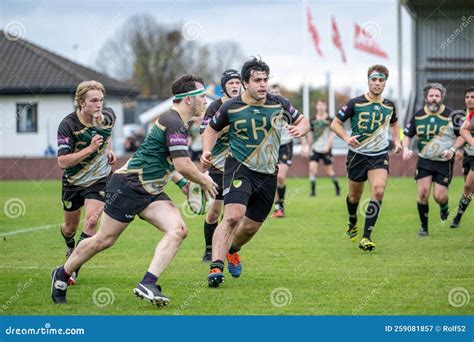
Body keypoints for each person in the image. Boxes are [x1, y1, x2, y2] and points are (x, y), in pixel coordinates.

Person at [51, 75, 217, 306]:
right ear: (188, 100)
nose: (204, 100)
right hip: (129, 186)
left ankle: (148, 282)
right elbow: (182, 164)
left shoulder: (179, 122)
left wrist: (184, 184)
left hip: (151, 190)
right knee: (104, 240)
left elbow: (166, 162)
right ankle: (62, 274)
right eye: (201, 96)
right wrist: (203, 181)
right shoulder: (173, 121)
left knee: (178, 230)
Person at [201, 57, 310, 287]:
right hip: (239, 167)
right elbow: (211, 129)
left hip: (267, 173)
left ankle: (232, 250)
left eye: (265, 80)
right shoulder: (231, 107)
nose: (263, 84)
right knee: (232, 215)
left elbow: (304, 120)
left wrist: (299, 129)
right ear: (244, 83)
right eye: (257, 80)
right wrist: (206, 151)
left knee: (250, 227)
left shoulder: (278, 102)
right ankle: (215, 267)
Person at [331, 65, 401, 251]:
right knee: (354, 197)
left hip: (379, 156)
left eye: (381, 80)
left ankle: (366, 237)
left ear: (385, 82)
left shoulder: (389, 105)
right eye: (374, 79)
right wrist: (346, 138)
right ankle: (352, 220)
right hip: (357, 156)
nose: (377, 83)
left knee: (378, 191)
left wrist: (397, 141)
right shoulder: (355, 103)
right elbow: (335, 123)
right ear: (368, 81)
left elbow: (395, 124)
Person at [57, 80, 116, 285]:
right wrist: (90, 149)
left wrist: (108, 150)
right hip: (73, 181)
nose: (99, 105)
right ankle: (70, 245)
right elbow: (62, 161)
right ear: (81, 102)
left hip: (99, 179)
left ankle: (71, 270)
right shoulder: (68, 125)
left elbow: (108, 134)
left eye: (101, 100)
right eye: (93, 101)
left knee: (91, 221)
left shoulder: (108, 116)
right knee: (69, 228)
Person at [402, 83, 464, 237]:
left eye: (437, 96)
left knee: (439, 196)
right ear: (426, 97)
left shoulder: (452, 116)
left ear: (442, 97)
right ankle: (424, 228)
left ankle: (444, 206)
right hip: (425, 160)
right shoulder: (418, 115)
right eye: (431, 96)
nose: (434, 99)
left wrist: (453, 149)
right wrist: (406, 148)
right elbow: (407, 134)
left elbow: (463, 134)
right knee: (423, 193)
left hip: (444, 161)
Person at [199, 69, 242, 262]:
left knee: (233, 214)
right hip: (217, 166)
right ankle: (209, 249)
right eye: (230, 83)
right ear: (223, 86)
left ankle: (226, 250)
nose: (234, 86)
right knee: (214, 211)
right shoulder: (215, 106)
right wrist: (224, 126)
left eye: (237, 82)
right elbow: (204, 131)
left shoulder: (245, 103)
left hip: (239, 166)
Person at [268, 84, 294, 218]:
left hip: (285, 144)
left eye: (276, 92)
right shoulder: (266, 108)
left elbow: (298, 122)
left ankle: (281, 205)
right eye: (272, 92)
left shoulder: (286, 108)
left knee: (280, 176)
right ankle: (278, 207)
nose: (274, 94)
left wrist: (306, 144)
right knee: (272, 178)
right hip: (271, 146)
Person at [450, 88, 474, 228]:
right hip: (467, 155)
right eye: (467, 96)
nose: (470, 99)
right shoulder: (459, 115)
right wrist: (456, 149)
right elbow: (457, 134)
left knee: (468, 185)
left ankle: (457, 217)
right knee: (469, 190)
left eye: (473, 96)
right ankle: (458, 216)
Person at [308, 99, 341, 197]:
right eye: (319, 105)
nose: (321, 107)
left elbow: (332, 134)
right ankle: (313, 191)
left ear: (326, 106)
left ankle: (337, 188)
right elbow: (310, 134)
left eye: (323, 105)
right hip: (315, 148)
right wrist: (308, 147)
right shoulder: (312, 119)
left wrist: (328, 146)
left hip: (326, 149)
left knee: (329, 171)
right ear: (316, 106)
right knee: (312, 168)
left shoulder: (330, 120)